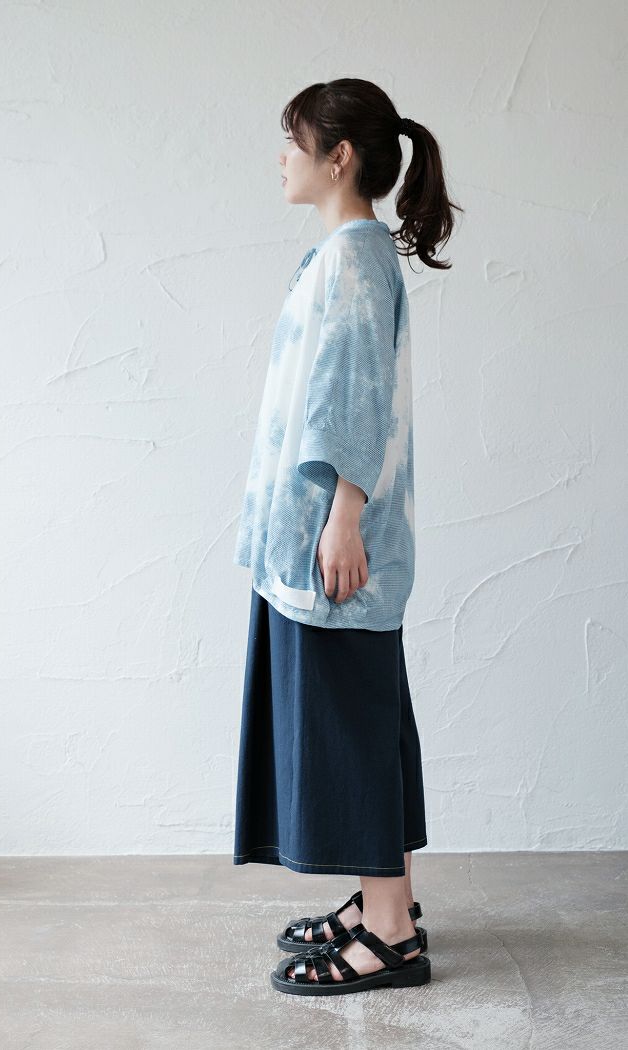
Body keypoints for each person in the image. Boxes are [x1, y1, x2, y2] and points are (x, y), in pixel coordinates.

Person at [232, 78, 462, 996]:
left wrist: (344, 516)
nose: (279, 158)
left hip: (334, 541)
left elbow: (354, 398)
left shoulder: (357, 259)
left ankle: (392, 934)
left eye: (293, 141)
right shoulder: (344, 254)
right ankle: (381, 904)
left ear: (339, 158)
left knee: (354, 727)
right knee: (364, 717)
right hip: (317, 535)